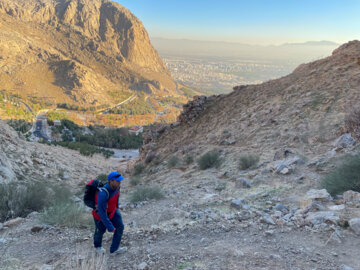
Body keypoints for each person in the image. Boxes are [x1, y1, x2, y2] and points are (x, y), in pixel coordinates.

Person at [93, 171, 127, 255]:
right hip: (100, 215)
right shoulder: (103, 193)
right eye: (117, 181)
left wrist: (117, 209)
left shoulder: (117, 187)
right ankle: (98, 247)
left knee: (120, 227)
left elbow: (116, 198)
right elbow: (102, 213)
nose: (119, 182)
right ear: (111, 181)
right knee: (100, 231)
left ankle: (114, 250)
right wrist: (110, 226)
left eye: (120, 181)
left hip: (113, 211)